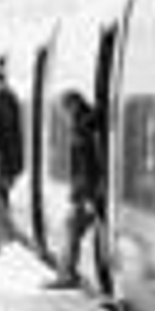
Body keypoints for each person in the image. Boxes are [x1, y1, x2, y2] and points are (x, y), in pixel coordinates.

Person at [47, 90, 103, 290]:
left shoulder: (81, 129)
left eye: (64, 110)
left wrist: (86, 196)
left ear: (73, 106)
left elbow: (85, 165)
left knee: (71, 230)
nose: (64, 115)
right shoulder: (87, 124)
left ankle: (66, 276)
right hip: (89, 190)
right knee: (72, 230)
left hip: (86, 192)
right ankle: (66, 274)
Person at [0, 65, 25, 195]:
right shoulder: (6, 99)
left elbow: (6, 132)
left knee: (0, 193)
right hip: (6, 159)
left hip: (4, 159)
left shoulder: (3, 100)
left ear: (1, 82)